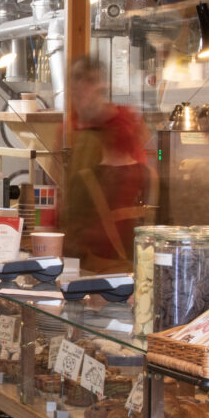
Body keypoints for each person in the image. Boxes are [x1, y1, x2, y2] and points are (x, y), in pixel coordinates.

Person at [57, 56, 151, 273]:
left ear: (103, 85)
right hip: (80, 255)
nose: (82, 87)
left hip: (119, 257)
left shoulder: (123, 125)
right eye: (76, 79)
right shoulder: (67, 130)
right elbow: (63, 191)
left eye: (90, 80)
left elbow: (142, 185)